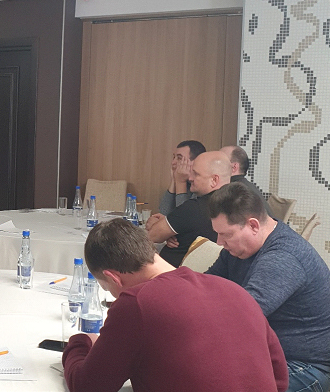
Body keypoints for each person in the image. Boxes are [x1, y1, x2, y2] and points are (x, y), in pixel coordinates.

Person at [62, 218, 288, 392]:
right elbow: (279, 377)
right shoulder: (235, 291)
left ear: (114, 278)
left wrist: (80, 342)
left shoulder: (136, 303)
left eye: (107, 288)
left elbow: (87, 386)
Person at [207, 182, 330, 392]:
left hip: (306, 367)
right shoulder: (236, 250)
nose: (219, 242)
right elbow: (207, 286)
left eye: (226, 234)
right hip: (267, 356)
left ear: (253, 225)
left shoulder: (283, 257)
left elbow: (239, 317)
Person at [146, 150, 230, 266]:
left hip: (174, 272)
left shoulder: (194, 208)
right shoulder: (235, 205)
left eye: (196, 174)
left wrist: (156, 225)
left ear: (214, 180)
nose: (190, 178)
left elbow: (152, 235)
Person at [158, 140, 206, 215]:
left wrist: (181, 182)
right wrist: (174, 181)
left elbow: (185, 216)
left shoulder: (202, 187)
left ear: (196, 161)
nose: (173, 162)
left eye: (179, 158)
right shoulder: (187, 183)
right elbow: (164, 213)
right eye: (174, 157)